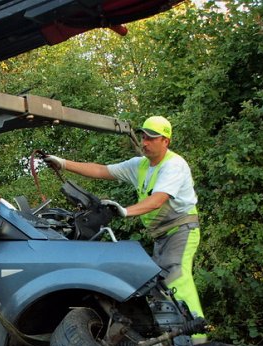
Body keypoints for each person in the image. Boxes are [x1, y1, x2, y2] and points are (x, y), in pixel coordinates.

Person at [43, 116, 205, 331]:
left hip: (181, 230)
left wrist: (125, 211)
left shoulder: (174, 165)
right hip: (161, 235)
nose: (145, 142)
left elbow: (157, 200)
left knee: (176, 278)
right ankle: (173, 339)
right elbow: (101, 170)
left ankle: (196, 340)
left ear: (165, 141)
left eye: (152, 139)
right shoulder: (139, 165)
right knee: (160, 287)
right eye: (144, 137)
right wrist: (63, 163)